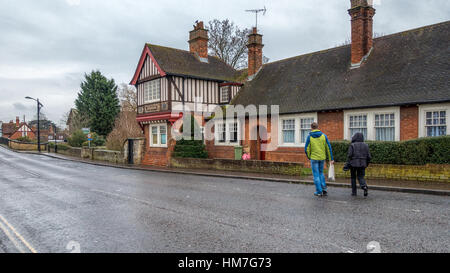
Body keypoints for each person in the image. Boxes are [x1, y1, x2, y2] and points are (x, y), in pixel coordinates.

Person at [305, 122, 334, 197]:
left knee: (316, 175)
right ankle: (324, 189)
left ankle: (319, 191)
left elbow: (306, 149)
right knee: (321, 173)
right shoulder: (324, 136)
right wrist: (331, 158)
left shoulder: (309, 136)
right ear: (318, 127)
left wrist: (309, 156)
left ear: (311, 128)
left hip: (314, 158)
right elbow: (328, 147)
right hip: (322, 158)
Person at [347, 132, 371, 197]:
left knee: (353, 178)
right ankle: (364, 187)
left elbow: (349, 155)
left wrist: (347, 164)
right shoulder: (366, 145)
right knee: (361, 177)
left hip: (353, 164)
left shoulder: (352, 145)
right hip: (363, 164)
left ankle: (354, 192)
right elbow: (369, 156)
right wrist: (366, 164)